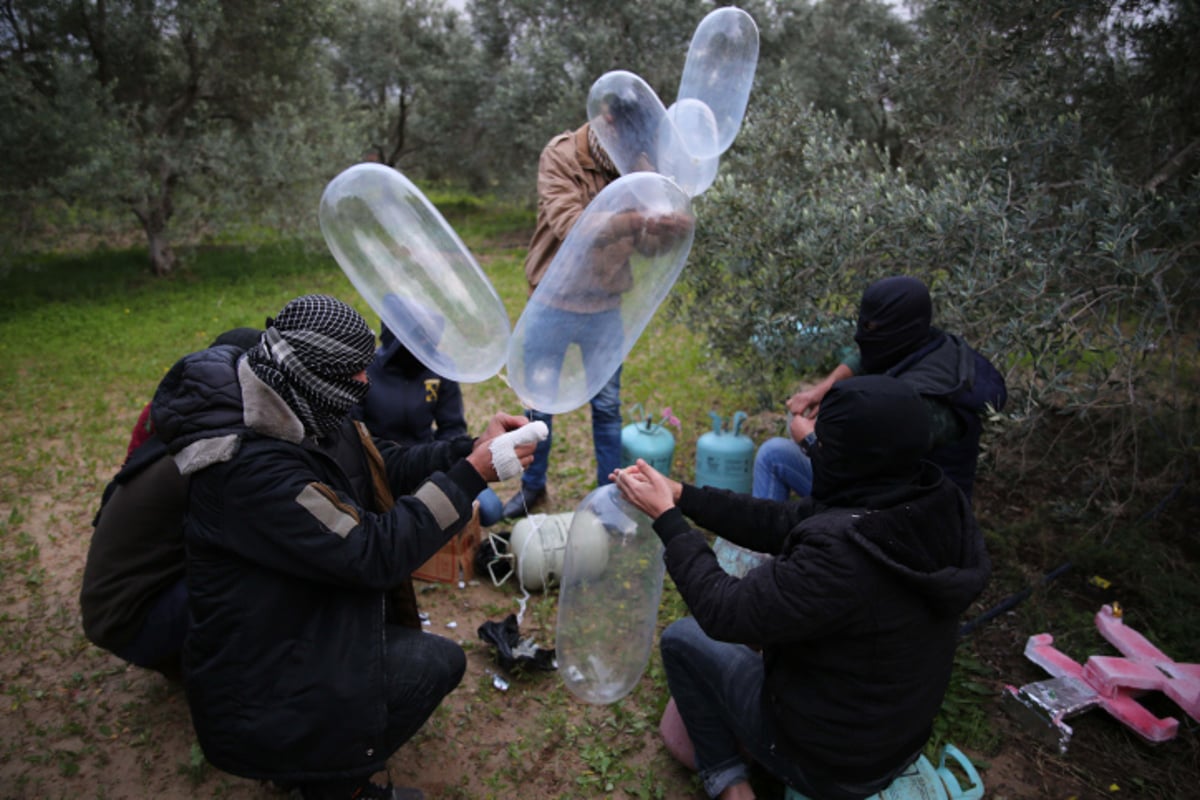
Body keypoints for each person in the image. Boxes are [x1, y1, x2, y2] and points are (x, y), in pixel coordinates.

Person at [152, 295, 534, 800]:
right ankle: (327, 783)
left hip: (295, 625)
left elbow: (382, 465)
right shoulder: (249, 470)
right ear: (311, 372)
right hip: (260, 679)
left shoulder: (304, 406)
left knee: (427, 660)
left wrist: (468, 450)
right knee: (432, 665)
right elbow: (372, 554)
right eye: (352, 373)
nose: (365, 382)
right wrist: (469, 479)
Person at [612, 375, 991, 800]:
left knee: (683, 639)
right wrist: (683, 496)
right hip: (895, 738)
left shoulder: (842, 554)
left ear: (852, 455)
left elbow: (724, 611)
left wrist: (668, 521)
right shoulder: (928, 500)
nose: (813, 449)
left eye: (823, 444)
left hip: (829, 763)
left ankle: (731, 786)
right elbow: (784, 522)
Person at [503, 99, 689, 519]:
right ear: (608, 123)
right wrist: (634, 217)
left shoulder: (635, 162)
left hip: (605, 307)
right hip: (551, 303)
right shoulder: (561, 154)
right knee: (539, 407)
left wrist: (665, 230)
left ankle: (612, 497)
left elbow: (647, 247)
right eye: (629, 139)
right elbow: (570, 225)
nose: (636, 150)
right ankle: (533, 489)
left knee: (607, 410)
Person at [80, 327, 262, 681]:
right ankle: (200, 665)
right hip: (127, 619)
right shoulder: (210, 451)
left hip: (117, 604)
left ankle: (181, 656)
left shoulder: (181, 416)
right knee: (261, 578)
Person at [753, 275, 1007, 504]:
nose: (863, 335)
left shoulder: (926, 404)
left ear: (899, 328)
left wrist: (811, 441)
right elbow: (866, 356)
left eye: (873, 328)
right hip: (895, 491)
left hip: (911, 518)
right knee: (782, 444)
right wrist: (823, 389)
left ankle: (760, 555)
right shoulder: (927, 343)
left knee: (773, 456)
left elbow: (852, 471)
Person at [354, 321, 503, 525]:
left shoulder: (440, 368)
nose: (426, 345)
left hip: (429, 459)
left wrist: (446, 469)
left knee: (490, 510)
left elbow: (452, 427)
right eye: (418, 338)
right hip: (383, 467)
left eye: (429, 338)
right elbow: (355, 438)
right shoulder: (364, 373)